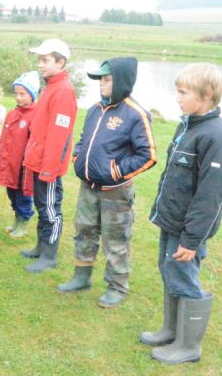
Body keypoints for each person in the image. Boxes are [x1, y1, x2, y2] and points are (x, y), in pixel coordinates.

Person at [139, 63, 222, 365]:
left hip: (188, 231)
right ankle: (171, 331)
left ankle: (188, 346)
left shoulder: (216, 137)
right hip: (172, 222)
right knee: (170, 273)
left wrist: (192, 240)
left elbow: (210, 196)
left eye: (183, 92)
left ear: (207, 95)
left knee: (184, 278)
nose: (177, 98)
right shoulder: (188, 125)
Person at [57, 57, 157, 308]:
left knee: (115, 239)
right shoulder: (93, 110)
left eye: (107, 79)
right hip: (87, 187)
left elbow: (148, 155)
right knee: (84, 231)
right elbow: (83, 139)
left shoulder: (136, 114)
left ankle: (117, 286)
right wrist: (78, 156)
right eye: (100, 79)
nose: (102, 84)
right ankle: (82, 277)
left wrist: (116, 172)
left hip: (116, 192)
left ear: (121, 81)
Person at [21, 38, 77, 273]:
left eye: (45, 60)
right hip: (37, 160)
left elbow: (59, 135)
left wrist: (49, 168)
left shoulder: (63, 91)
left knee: (50, 208)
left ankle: (50, 255)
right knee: (41, 205)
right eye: (39, 60)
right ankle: (40, 247)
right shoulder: (51, 85)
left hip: (48, 166)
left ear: (61, 62)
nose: (40, 64)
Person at [0, 72, 39, 238]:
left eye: (22, 94)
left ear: (32, 94)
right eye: (16, 93)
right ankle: (17, 220)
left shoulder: (36, 115)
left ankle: (24, 223)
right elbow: (4, 138)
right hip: (10, 163)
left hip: (24, 166)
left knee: (23, 195)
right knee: (11, 193)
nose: (18, 97)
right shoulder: (12, 113)